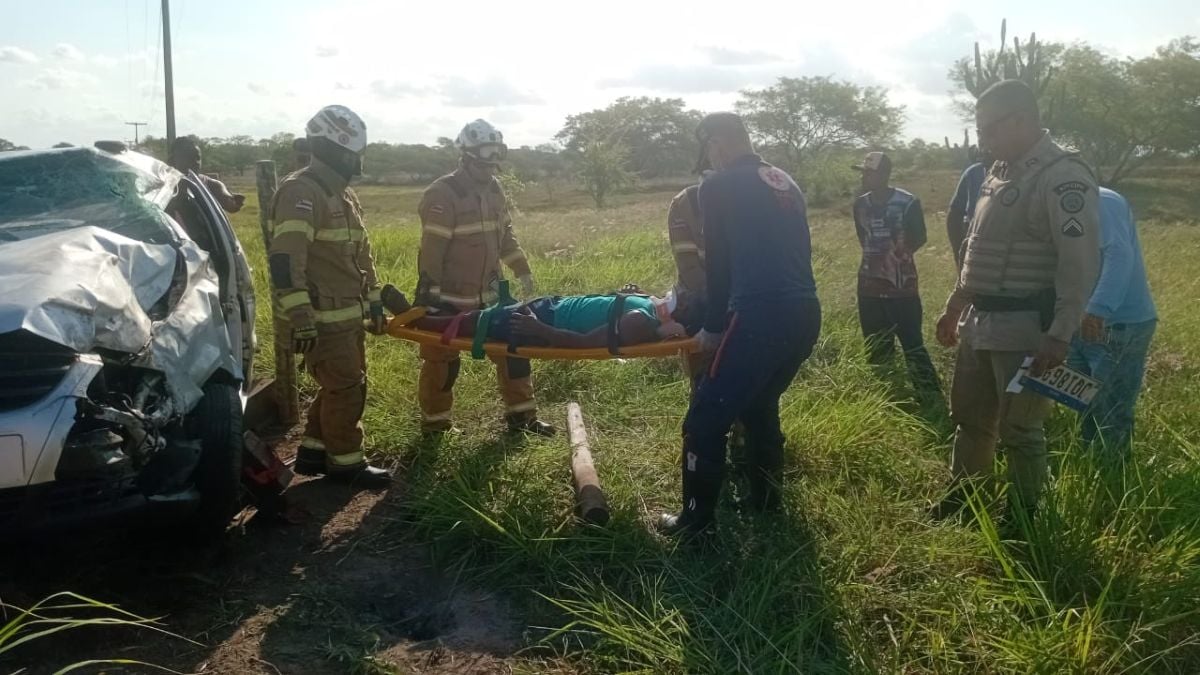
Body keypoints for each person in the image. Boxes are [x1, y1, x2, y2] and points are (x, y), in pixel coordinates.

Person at [933, 80, 1100, 521]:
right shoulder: (998, 173)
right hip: (979, 325)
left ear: (1021, 120)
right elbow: (976, 249)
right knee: (971, 419)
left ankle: (1024, 517)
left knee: (1020, 430)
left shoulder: (1063, 177)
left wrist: (1060, 334)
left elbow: (1078, 265)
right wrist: (954, 307)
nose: (982, 141)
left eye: (988, 130)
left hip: (1027, 330)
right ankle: (965, 499)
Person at [658, 113, 822, 537]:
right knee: (760, 405)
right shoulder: (783, 179)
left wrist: (713, 327)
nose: (710, 158)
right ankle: (767, 503)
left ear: (717, 143)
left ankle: (696, 522)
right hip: (804, 313)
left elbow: (720, 263)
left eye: (710, 149)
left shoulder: (717, 186)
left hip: (756, 317)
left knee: (703, 421)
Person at [268, 105, 392, 486]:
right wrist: (301, 317)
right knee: (346, 387)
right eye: (353, 153)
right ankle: (346, 464)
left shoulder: (340, 194)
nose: (356, 161)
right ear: (336, 149)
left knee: (340, 384)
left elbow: (361, 255)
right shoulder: (301, 191)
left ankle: (313, 451)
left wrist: (373, 301)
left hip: (347, 315)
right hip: (322, 318)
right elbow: (287, 263)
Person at [415, 119, 554, 436]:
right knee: (442, 362)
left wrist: (522, 269)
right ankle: (436, 425)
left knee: (513, 348)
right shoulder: (442, 194)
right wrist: (428, 295)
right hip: (450, 297)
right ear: (465, 157)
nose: (489, 172)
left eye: (493, 165)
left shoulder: (494, 189)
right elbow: (431, 250)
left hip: (491, 295)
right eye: (483, 165)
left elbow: (505, 234)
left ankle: (522, 418)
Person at [1066, 187, 1157, 458]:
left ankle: (1114, 483)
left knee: (1112, 412)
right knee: (1084, 404)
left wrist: (1097, 310)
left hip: (1117, 324)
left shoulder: (1101, 201)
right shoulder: (1053, 201)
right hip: (1075, 322)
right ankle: (1090, 468)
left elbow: (1119, 254)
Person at [850, 151, 941, 400]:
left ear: (883, 174)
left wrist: (897, 256)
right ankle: (888, 397)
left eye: (869, 172)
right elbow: (863, 237)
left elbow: (919, 237)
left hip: (902, 287)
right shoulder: (860, 204)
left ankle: (929, 396)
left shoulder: (907, 201)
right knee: (876, 344)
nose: (864, 177)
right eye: (863, 172)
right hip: (868, 286)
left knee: (912, 342)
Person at [384, 285, 693, 348]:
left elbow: (588, 342)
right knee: (480, 316)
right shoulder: (647, 308)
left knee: (478, 322)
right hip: (550, 308)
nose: (666, 299)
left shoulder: (641, 322)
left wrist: (540, 330)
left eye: (673, 302)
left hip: (545, 323)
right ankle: (430, 316)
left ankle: (416, 320)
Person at [168, 136, 245, 213]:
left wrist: (232, 201)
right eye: (188, 157)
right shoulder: (162, 184)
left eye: (197, 158)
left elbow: (227, 202)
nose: (195, 162)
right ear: (172, 160)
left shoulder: (211, 185)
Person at [946, 149, 992, 268]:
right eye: (979, 134)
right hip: (975, 254)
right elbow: (955, 213)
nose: (983, 146)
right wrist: (958, 252)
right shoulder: (974, 173)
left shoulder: (1030, 173)